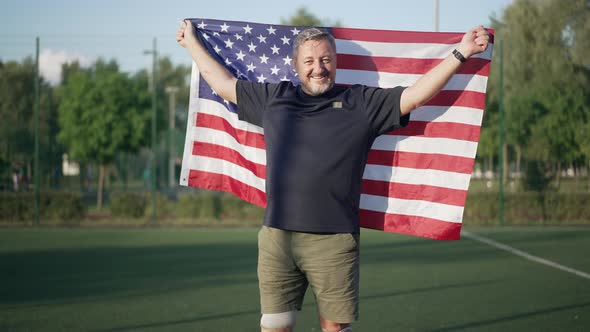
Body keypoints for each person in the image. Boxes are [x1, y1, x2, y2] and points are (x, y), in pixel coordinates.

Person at [177, 20, 489, 332]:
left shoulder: (361, 104)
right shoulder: (274, 98)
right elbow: (223, 83)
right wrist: (191, 42)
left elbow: (416, 96)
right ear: (296, 65)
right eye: (310, 61)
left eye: (326, 59)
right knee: (274, 327)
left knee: (334, 329)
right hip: (278, 240)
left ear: (336, 61)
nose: (318, 68)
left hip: (334, 242)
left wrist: (462, 52)